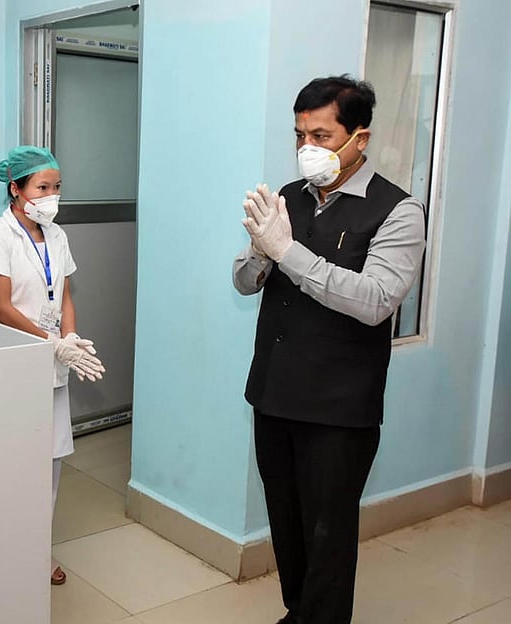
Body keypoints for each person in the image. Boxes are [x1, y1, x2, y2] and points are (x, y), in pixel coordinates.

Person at [233, 76, 426, 624]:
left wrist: (287, 251)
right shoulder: (288, 198)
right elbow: (245, 283)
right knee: (288, 524)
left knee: (328, 534)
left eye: (321, 135)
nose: (306, 150)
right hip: (274, 392)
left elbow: (376, 300)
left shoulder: (397, 211)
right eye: (299, 136)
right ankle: (301, 614)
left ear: (359, 138)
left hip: (339, 408)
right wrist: (261, 253)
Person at [0, 145, 105, 586]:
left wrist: (68, 339)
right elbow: (2, 306)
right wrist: (52, 342)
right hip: (14, 360)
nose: (52, 195)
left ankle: (38, 550)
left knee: (50, 462)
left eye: (57, 187)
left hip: (53, 362)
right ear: (16, 189)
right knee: (15, 460)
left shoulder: (58, 236)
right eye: (42, 187)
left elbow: (64, 295)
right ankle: (4, 546)